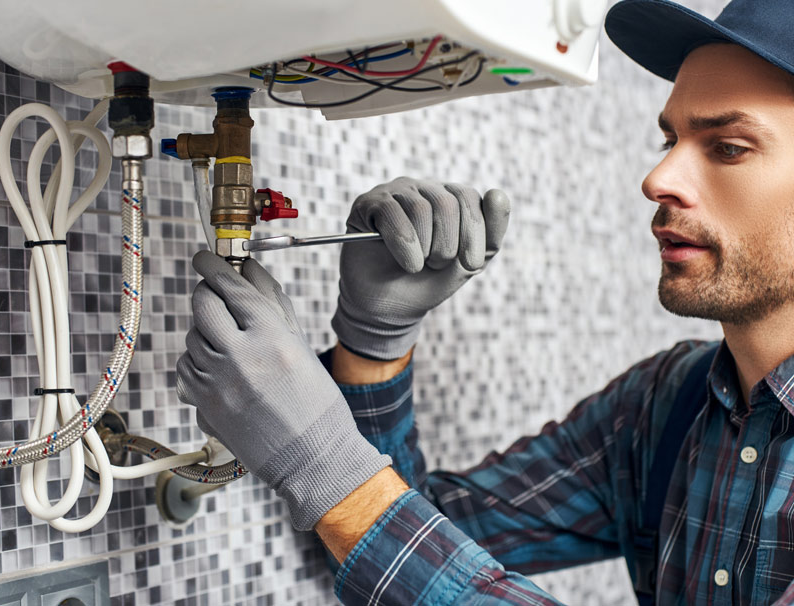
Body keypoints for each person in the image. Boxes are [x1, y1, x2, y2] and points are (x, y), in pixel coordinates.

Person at [175, 0, 794, 603]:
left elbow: (364, 511)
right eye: (670, 142)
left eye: (728, 148)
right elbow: (392, 542)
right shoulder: (668, 406)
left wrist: (325, 464)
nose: (657, 181)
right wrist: (373, 342)